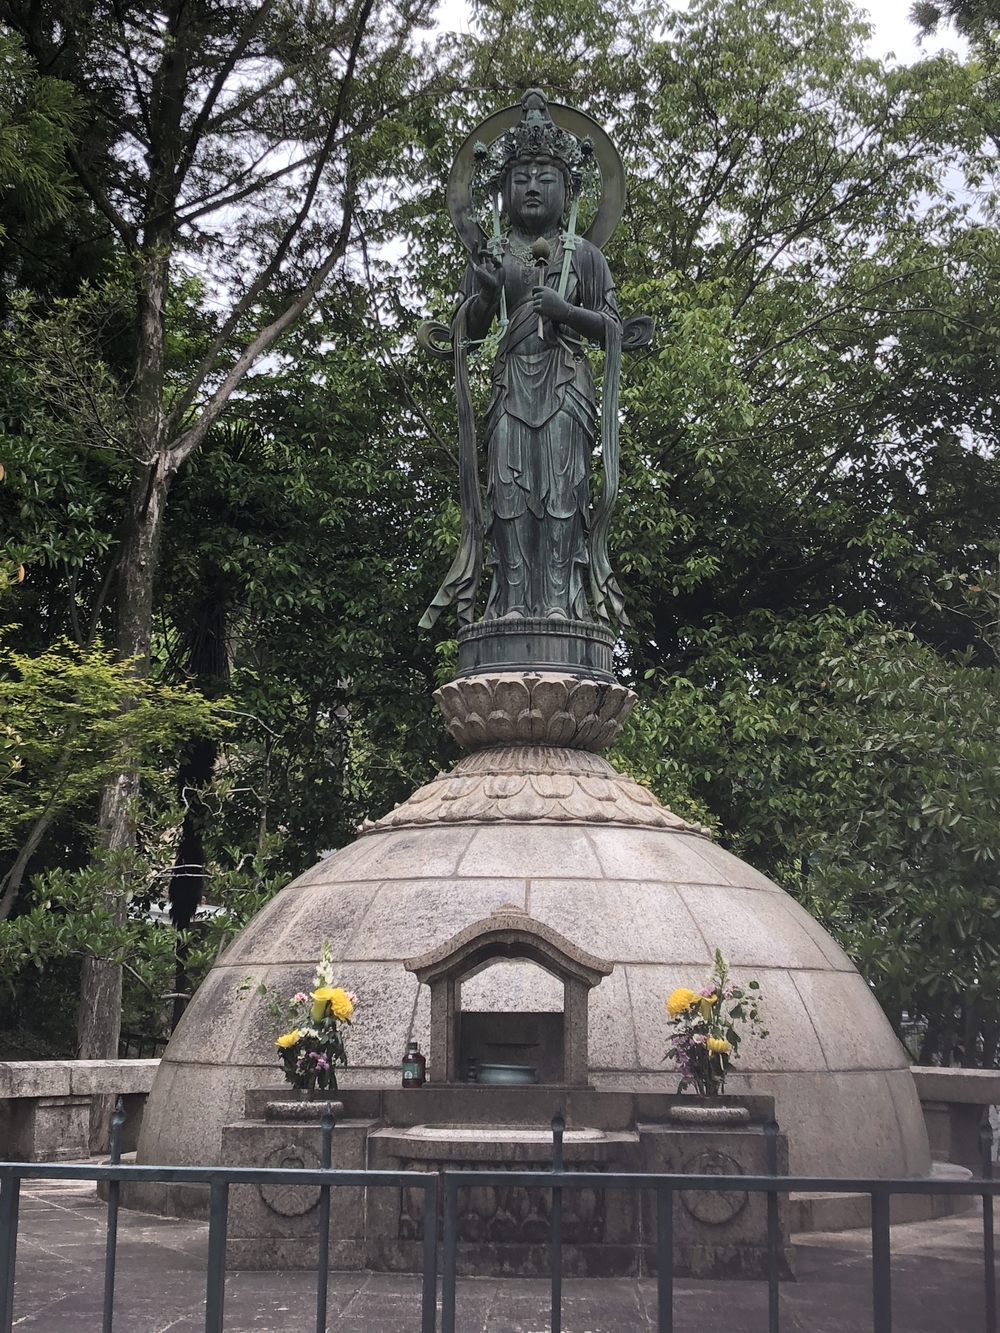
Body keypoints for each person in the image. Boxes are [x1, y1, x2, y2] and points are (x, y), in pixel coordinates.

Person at [459, 96, 622, 622]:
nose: (531, 186)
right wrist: (485, 296)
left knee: (561, 491)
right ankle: (510, 604)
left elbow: (614, 329)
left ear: (567, 188)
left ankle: (557, 603)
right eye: (521, 177)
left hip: (566, 384)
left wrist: (567, 310)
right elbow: (462, 334)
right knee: (509, 494)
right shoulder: (493, 254)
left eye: (545, 177)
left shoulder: (586, 256)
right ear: (503, 192)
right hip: (510, 386)